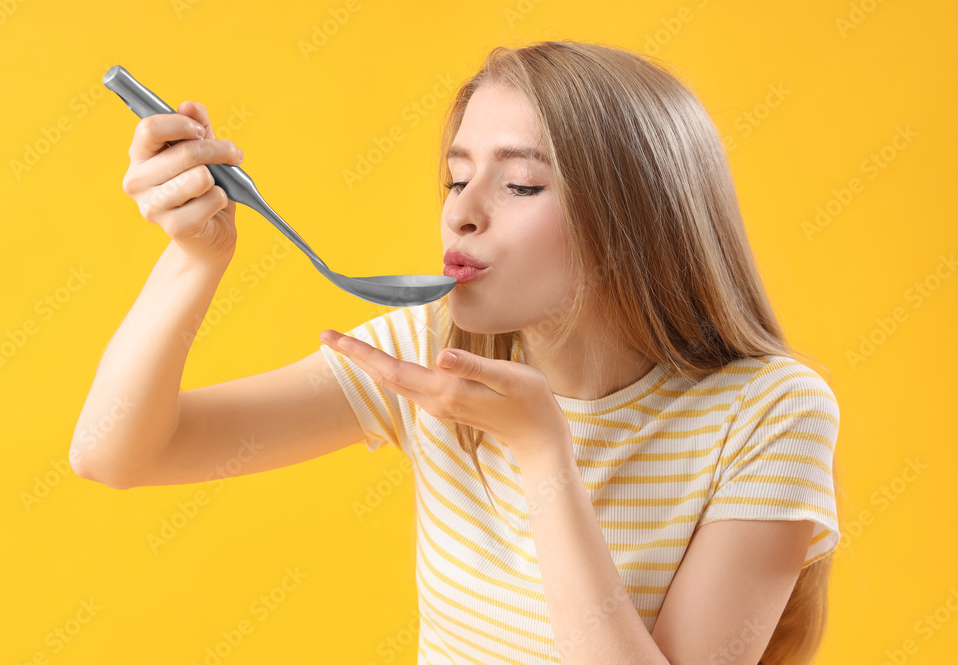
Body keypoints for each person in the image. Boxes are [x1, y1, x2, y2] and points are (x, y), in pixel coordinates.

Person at [71, 40, 841, 665]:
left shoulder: (771, 413)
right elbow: (116, 454)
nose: (461, 215)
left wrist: (545, 457)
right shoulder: (428, 353)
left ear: (639, 216)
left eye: (521, 185)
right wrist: (194, 259)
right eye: (456, 177)